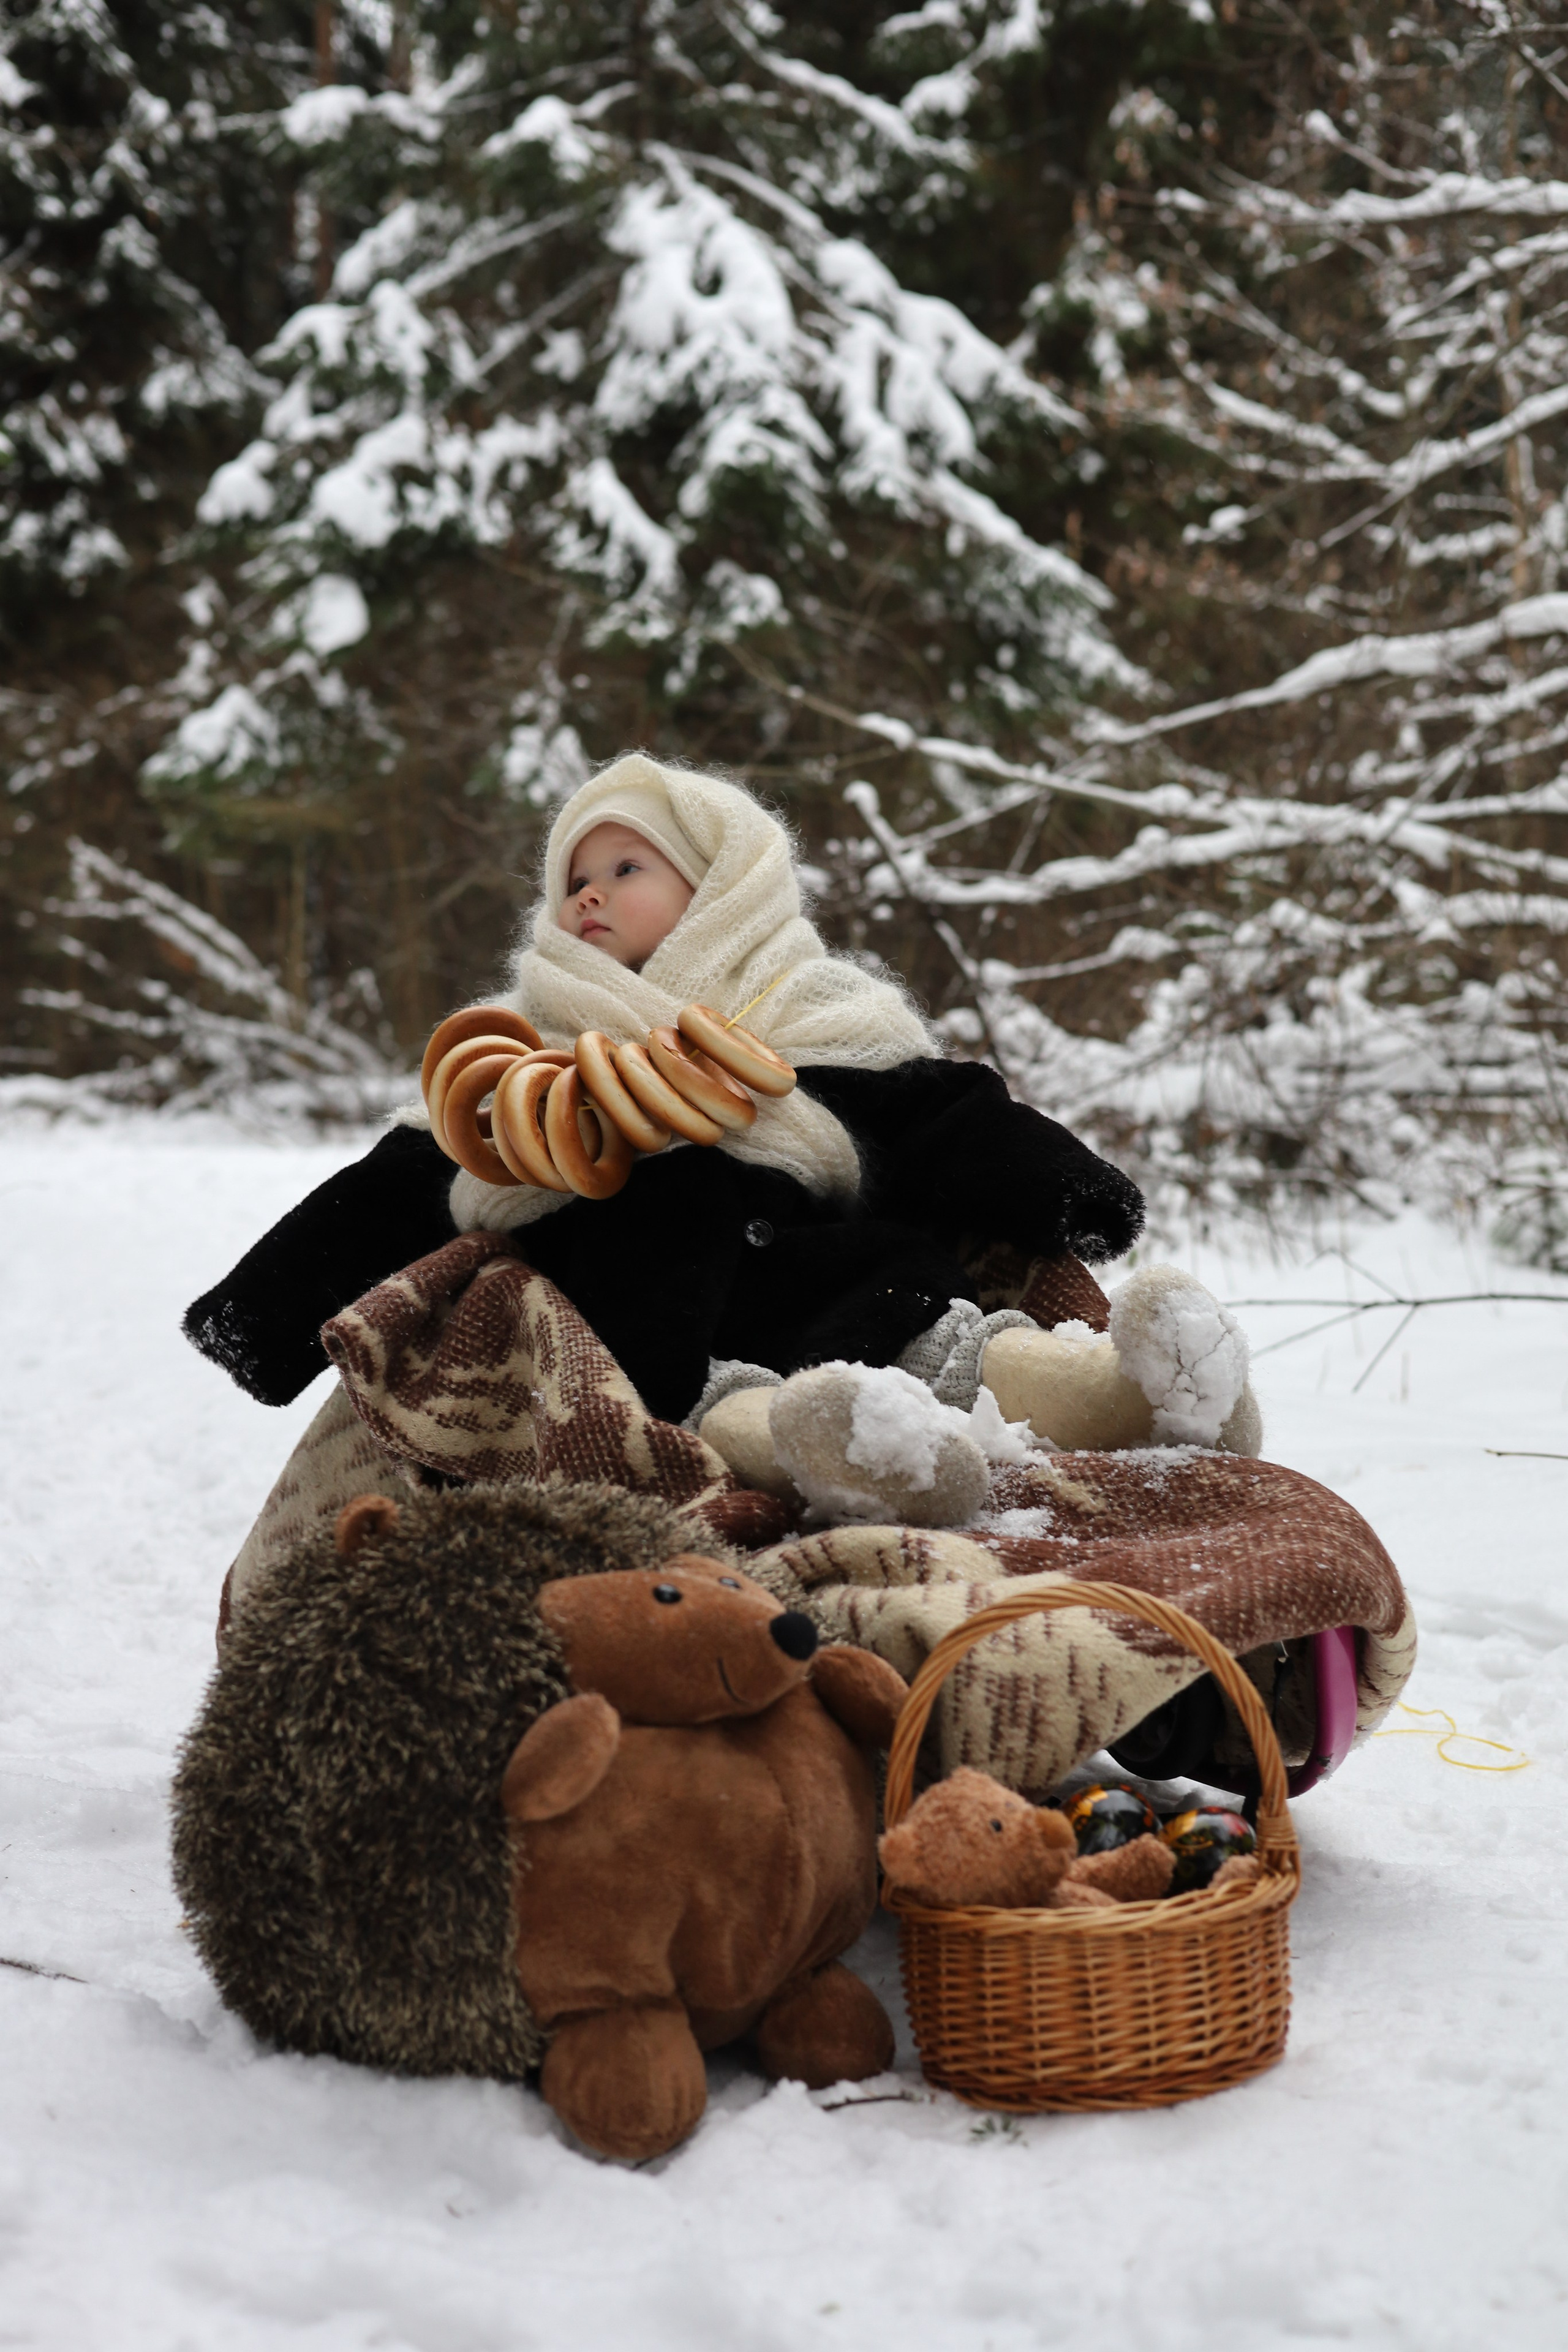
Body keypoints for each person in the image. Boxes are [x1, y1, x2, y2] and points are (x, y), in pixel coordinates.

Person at [186, 754, 1230, 1451]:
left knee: (945, 1325)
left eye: (625, 866)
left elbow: (940, 1113)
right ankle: (817, 1460)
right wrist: (260, 1317)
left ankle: (1109, 1395)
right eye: (572, 879)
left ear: (719, 887)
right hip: (654, 1354)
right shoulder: (529, 1047)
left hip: (854, 1296)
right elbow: (414, 1172)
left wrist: (1078, 1195)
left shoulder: (804, 1008)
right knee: (723, 1393)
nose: (587, 894)